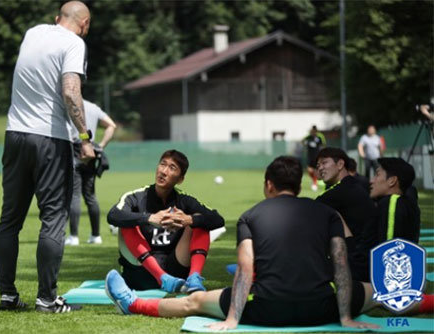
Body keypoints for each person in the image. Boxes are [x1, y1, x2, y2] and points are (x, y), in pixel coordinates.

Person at [105, 156, 382, 329]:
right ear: (299, 185)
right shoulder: (327, 213)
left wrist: (232, 319)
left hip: (265, 307)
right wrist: (345, 317)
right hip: (322, 306)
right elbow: (341, 264)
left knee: (195, 302)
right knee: (382, 291)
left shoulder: (251, 216)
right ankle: (425, 300)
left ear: (268, 185)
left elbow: (246, 271)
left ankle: (134, 305)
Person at [0, 1, 94, 313]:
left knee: (10, 220)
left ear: (56, 18)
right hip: (49, 139)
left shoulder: (33, 33)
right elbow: (70, 91)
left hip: (15, 135)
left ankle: (8, 296)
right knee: (53, 219)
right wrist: (85, 136)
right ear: (85, 23)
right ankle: (47, 299)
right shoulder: (75, 42)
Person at [107, 150, 225, 293]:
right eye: (162, 165)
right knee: (127, 222)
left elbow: (218, 219)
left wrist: (189, 219)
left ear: (180, 179)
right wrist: (149, 218)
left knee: (200, 221)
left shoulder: (184, 200)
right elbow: (113, 215)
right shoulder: (136, 197)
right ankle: (161, 277)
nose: (164, 171)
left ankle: (194, 278)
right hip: (140, 272)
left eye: (172, 168)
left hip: (176, 272)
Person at [315, 148, 378, 282]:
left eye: (324, 163)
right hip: (369, 257)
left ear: (340, 164)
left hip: (357, 262)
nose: (320, 168)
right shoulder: (354, 184)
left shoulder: (343, 190)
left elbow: (309, 210)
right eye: (318, 165)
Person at [65, 100, 117, 246]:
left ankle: (74, 237)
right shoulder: (93, 107)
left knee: (74, 195)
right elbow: (111, 125)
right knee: (90, 196)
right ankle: (96, 236)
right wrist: (100, 146)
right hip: (91, 150)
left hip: (74, 148)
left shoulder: (67, 104)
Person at [369, 157, 420, 244]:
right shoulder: (405, 202)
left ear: (392, 181)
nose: (371, 181)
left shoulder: (391, 203)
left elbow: (389, 248)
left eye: (377, 175)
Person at [302, 125, 326, 191]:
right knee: (309, 170)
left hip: (317, 156)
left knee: (315, 170)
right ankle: (315, 181)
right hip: (309, 156)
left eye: (315, 131)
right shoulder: (308, 137)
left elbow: (323, 145)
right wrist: (305, 143)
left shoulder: (320, 137)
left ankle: (315, 183)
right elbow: (302, 141)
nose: (313, 132)